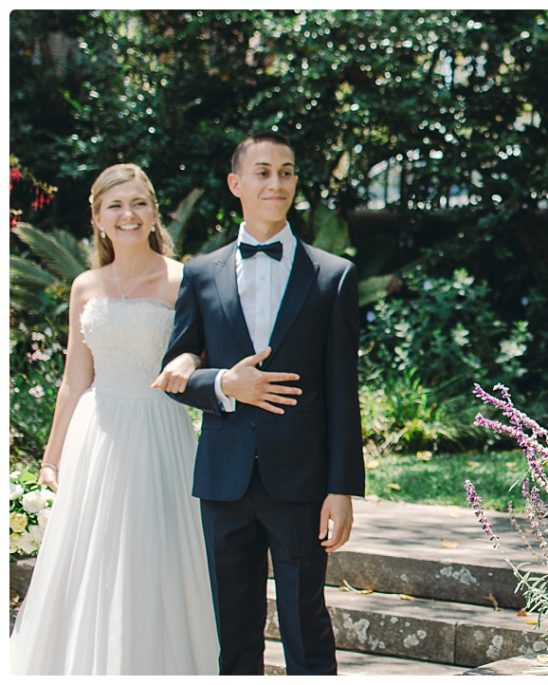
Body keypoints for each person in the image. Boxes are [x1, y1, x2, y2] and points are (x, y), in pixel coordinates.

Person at [161, 131, 364, 675]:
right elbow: (177, 365)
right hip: (224, 479)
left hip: (301, 480)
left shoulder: (333, 275)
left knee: (306, 625)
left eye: (287, 172)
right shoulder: (200, 274)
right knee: (233, 632)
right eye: (263, 171)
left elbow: (344, 391)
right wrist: (227, 384)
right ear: (236, 184)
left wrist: (341, 488)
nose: (277, 182)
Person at [9, 163, 219, 674]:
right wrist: (51, 459)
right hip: (96, 435)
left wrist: (188, 362)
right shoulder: (84, 285)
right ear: (98, 218)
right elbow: (73, 380)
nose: (128, 214)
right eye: (116, 205)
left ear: (153, 213)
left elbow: (202, 358)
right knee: (90, 559)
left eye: (138, 203)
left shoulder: (183, 279)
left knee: (155, 554)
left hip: (159, 432)